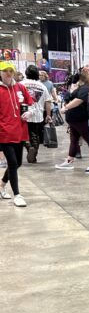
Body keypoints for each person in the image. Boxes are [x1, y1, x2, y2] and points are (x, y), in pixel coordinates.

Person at [0, 60, 33, 206]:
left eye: (10, 71)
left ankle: (1, 185)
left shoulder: (20, 87)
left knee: (18, 162)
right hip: (4, 133)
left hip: (20, 131)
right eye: (5, 71)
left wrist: (30, 112)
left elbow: (30, 103)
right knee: (12, 162)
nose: (8, 73)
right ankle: (17, 195)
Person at [56, 69, 89, 169]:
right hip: (77, 118)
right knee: (82, 139)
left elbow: (78, 100)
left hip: (78, 118)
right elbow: (77, 99)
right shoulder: (84, 88)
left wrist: (66, 107)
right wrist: (66, 107)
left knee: (85, 139)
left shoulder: (84, 88)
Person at [22, 64, 53, 164]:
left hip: (23, 113)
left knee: (24, 134)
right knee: (35, 134)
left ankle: (28, 146)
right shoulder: (42, 86)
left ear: (26, 73)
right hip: (37, 114)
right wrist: (48, 115)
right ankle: (33, 154)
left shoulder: (21, 84)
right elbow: (48, 101)